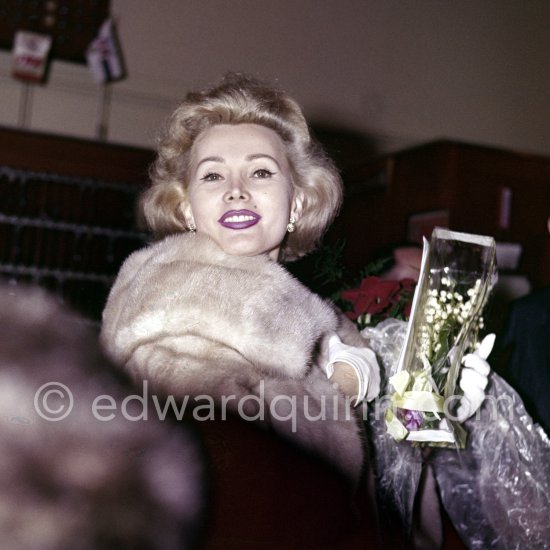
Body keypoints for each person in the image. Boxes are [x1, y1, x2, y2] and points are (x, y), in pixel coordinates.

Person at [100, 74, 497, 548]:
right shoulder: (176, 328)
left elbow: (359, 488)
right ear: (186, 209)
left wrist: (429, 422)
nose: (236, 190)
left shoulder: (323, 332)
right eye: (212, 175)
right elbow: (255, 515)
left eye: (261, 171)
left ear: (298, 201)